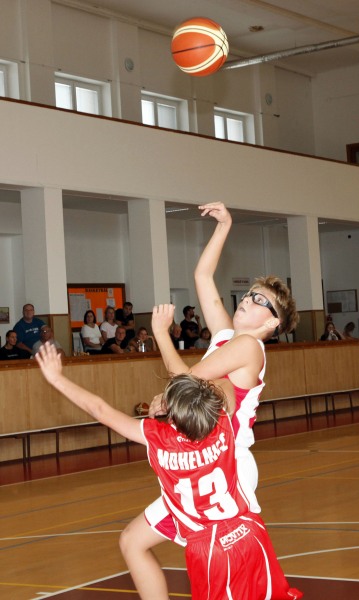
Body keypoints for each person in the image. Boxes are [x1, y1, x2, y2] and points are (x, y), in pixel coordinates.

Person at [120, 202, 299, 599]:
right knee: (133, 542)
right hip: (202, 460)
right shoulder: (227, 337)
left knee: (230, 578)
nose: (248, 300)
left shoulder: (250, 347)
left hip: (227, 465)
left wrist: (161, 334)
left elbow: (186, 380)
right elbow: (202, 275)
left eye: (260, 301)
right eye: (249, 294)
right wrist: (224, 226)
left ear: (273, 322)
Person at [35, 342, 302, 600]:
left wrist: (56, 379)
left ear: (172, 415)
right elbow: (225, 385)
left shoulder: (158, 438)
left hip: (210, 548)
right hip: (250, 531)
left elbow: (100, 409)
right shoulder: (223, 422)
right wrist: (177, 397)